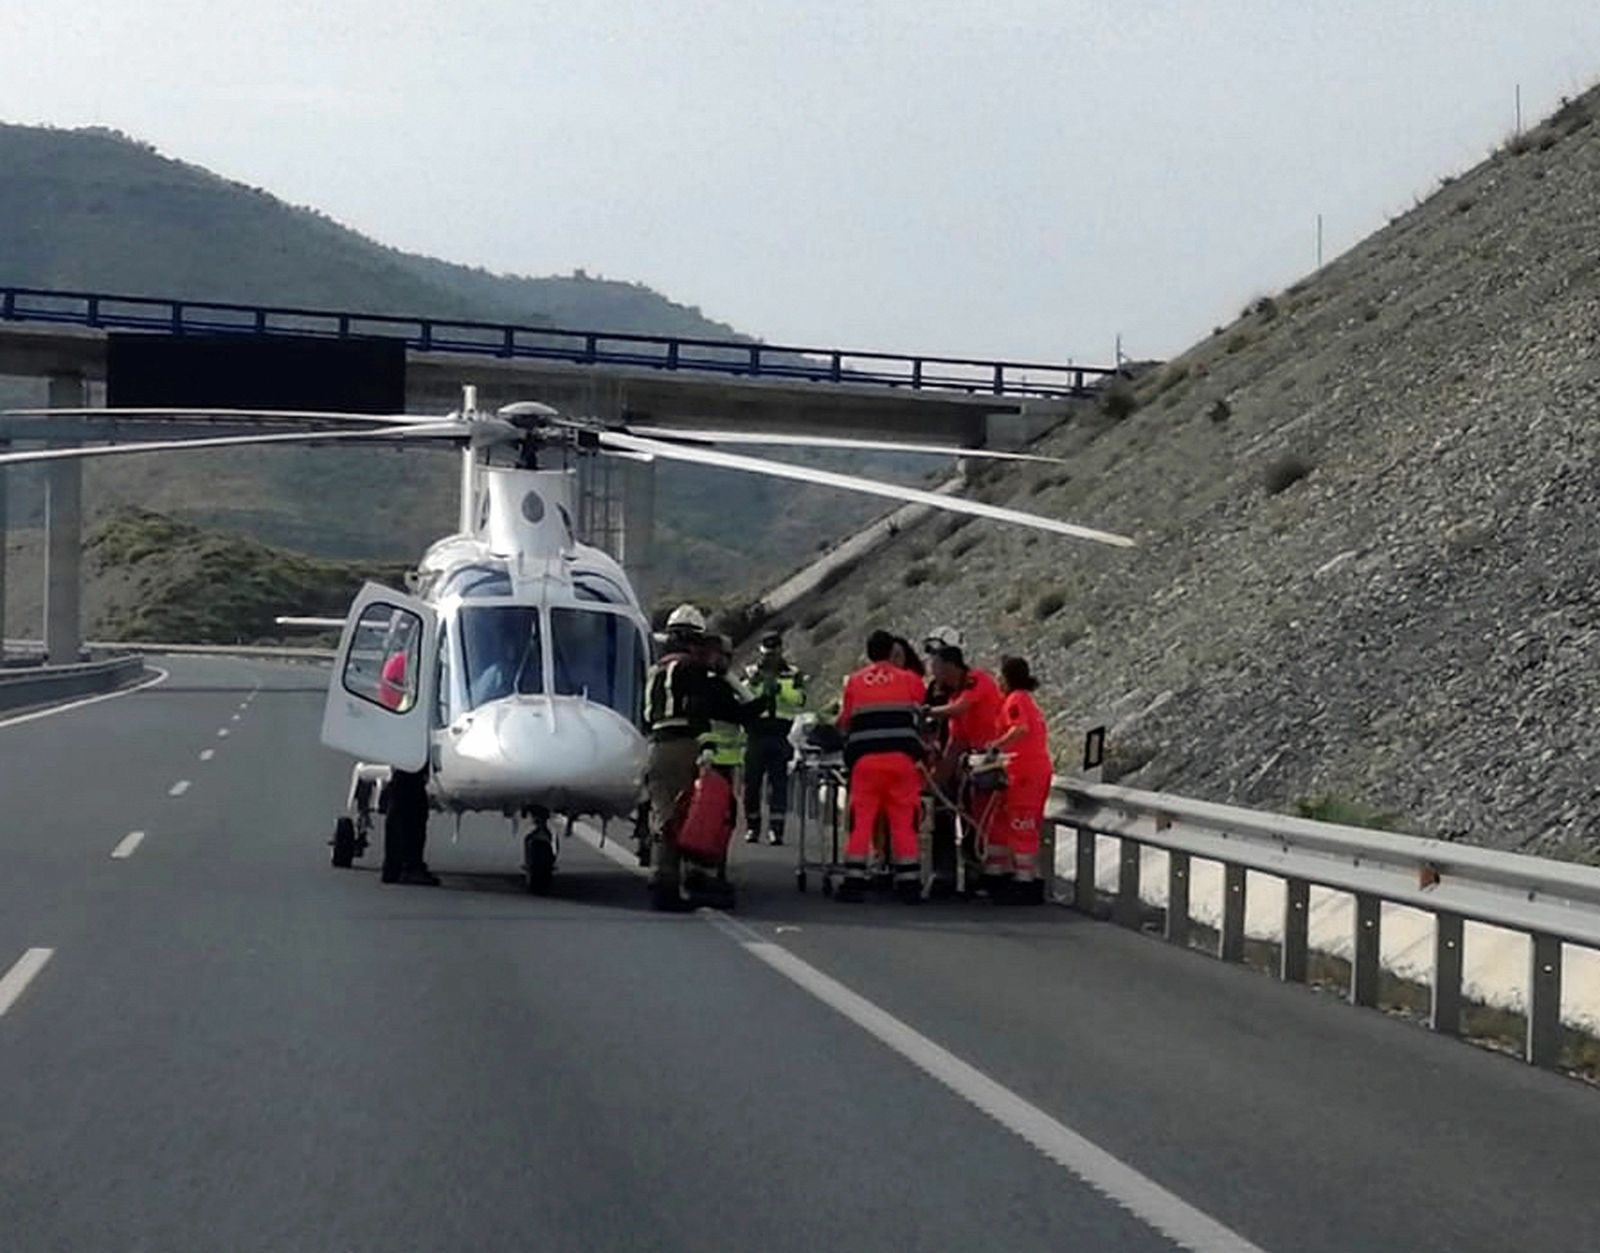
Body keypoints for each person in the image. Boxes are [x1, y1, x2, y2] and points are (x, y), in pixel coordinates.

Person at [643, 606, 749, 910]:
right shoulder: (692, 669)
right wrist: (705, 747)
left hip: (657, 743)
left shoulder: (656, 669)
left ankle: (661, 878)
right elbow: (697, 709)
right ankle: (677, 885)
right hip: (682, 742)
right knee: (687, 815)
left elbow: (647, 713)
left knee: (662, 814)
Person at [836, 629, 927, 904]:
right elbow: (921, 714)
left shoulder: (854, 682)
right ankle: (908, 882)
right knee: (904, 822)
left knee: (861, 822)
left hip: (866, 763)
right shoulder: (910, 680)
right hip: (902, 762)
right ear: (891, 652)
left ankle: (853, 879)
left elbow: (845, 722)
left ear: (868, 653)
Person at [927, 645, 1008, 893]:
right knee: (961, 813)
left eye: (936, 667)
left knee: (982, 821)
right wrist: (936, 781)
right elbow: (956, 742)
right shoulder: (953, 696)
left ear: (950, 666)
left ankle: (986, 875)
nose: (933, 674)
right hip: (973, 763)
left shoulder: (978, 681)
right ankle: (959, 874)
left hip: (993, 760)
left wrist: (927, 713)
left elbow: (962, 707)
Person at [374, 622, 438, 886]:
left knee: (401, 804)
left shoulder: (411, 663)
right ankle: (408, 865)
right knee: (411, 807)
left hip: (405, 734)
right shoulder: (425, 666)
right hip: (412, 737)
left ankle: (394, 865)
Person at [987, 657, 1052, 904]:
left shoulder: (1016, 700)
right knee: (1004, 821)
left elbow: (1020, 728)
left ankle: (1025, 882)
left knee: (1022, 823)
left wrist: (996, 746)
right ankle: (1002, 874)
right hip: (1021, 770)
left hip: (1026, 772)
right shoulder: (1022, 700)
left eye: (1000, 676)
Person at [741, 631, 807, 846]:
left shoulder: (792, 673)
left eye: (774, 652)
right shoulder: (751, 672)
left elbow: (800, 700)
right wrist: (756, 685)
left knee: (778, 785)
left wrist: (780, 691)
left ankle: (776, 830)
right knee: (751, 784)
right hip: (756, 734)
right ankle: (753, 826)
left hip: (780, 734)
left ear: (780, 651)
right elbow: (742, 698)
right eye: (766, 653)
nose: (770, 657)